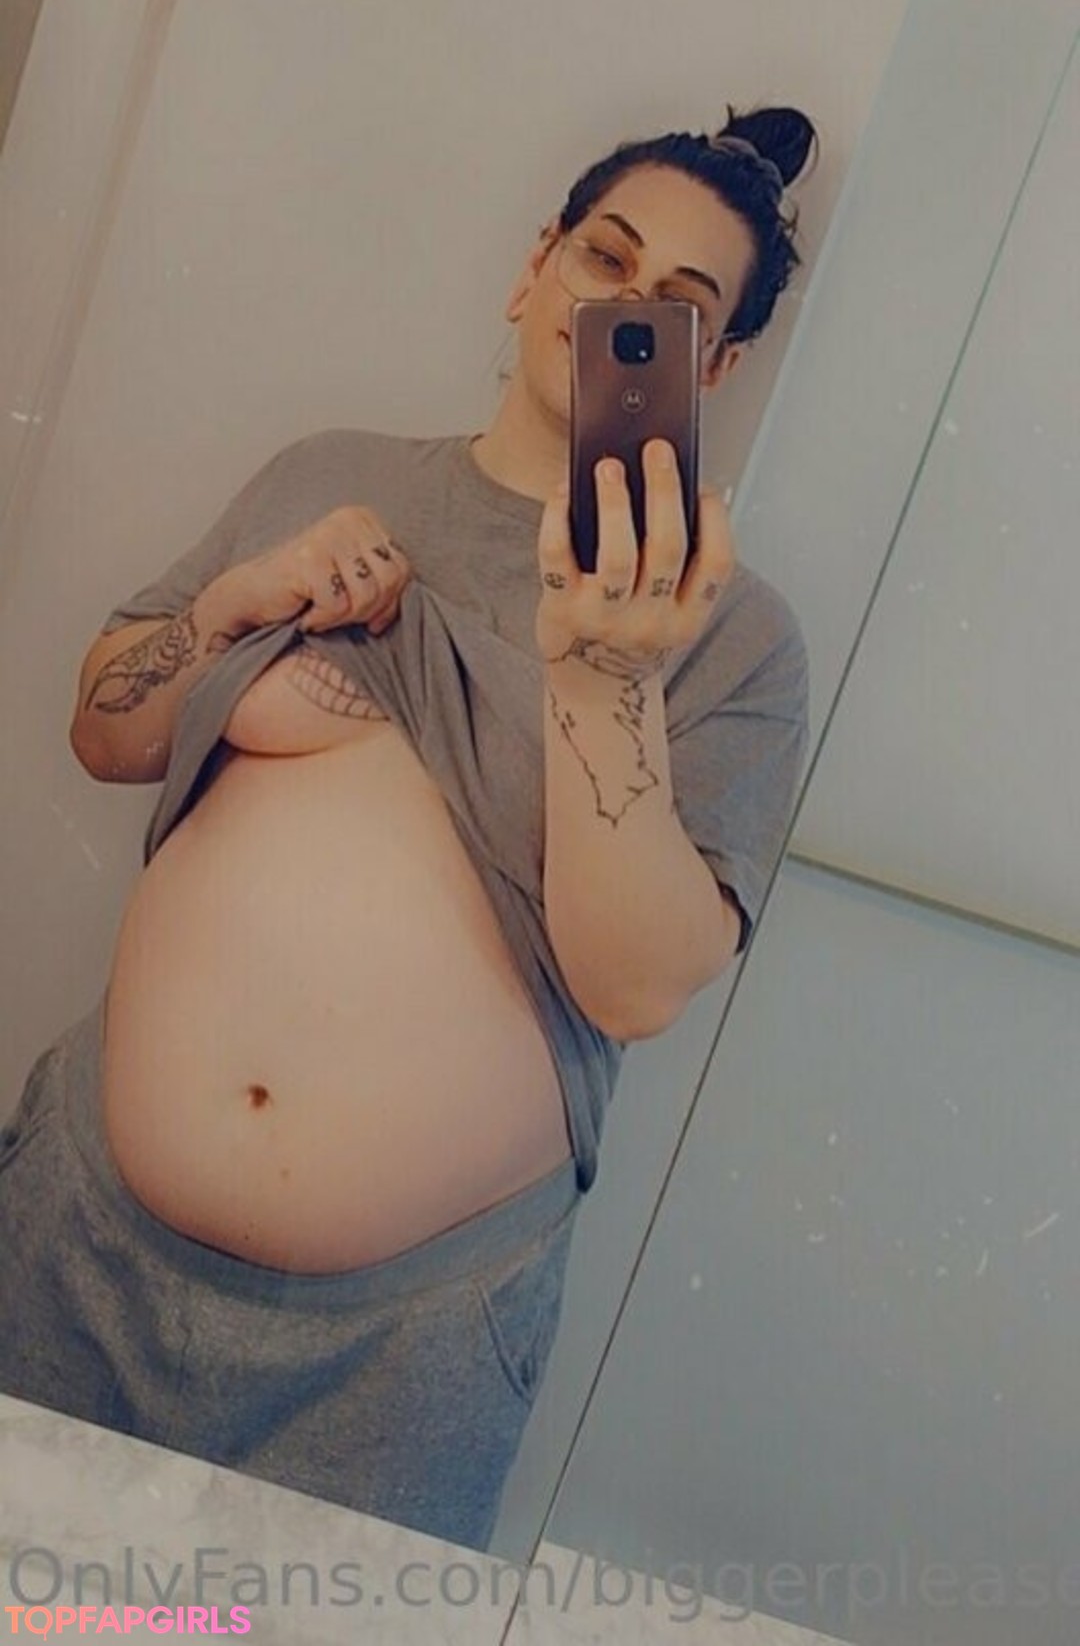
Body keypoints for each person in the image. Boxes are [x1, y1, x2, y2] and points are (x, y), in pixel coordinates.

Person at [0, 102, 816, 1551]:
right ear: (534, 267)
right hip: (78, 1240)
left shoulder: (731, 633)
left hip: (391, 1353)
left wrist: (603, 674)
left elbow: (634, 985)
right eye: (604, 256)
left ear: (717, 368)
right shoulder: (328, 472)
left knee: (242, 1639)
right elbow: (105, 732)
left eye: (679, 305)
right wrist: (231, 608)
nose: (622, 306)